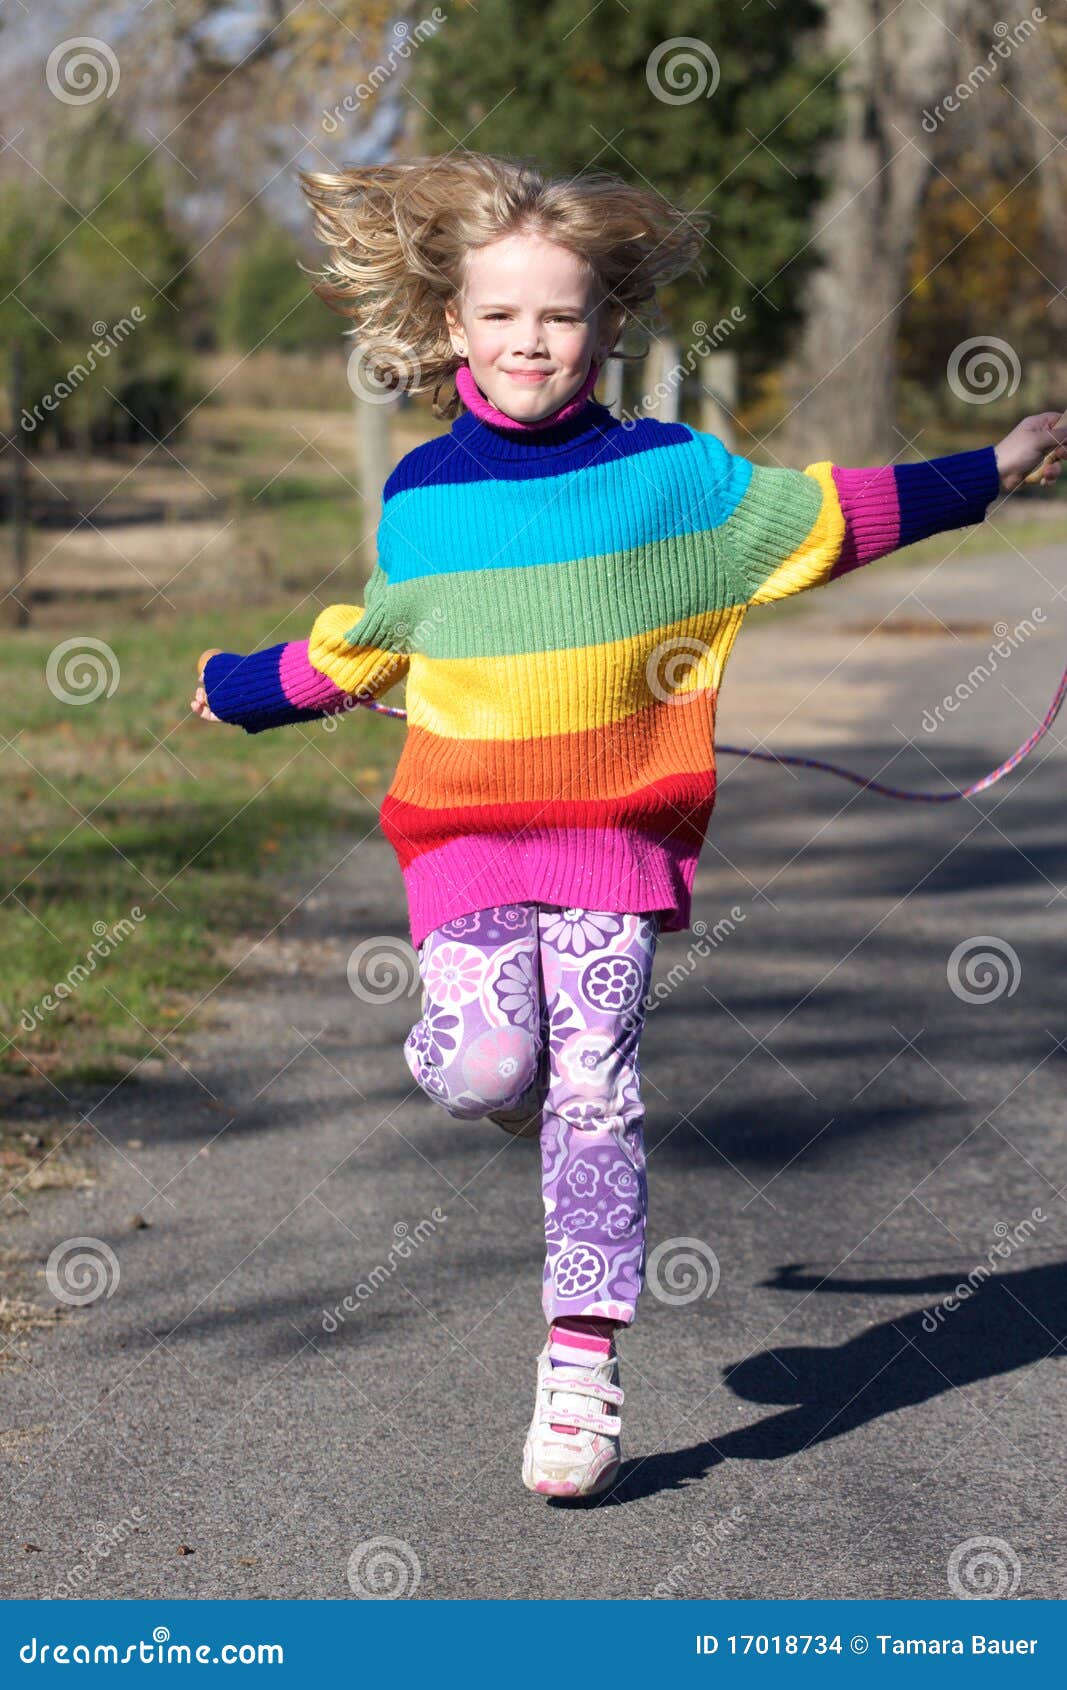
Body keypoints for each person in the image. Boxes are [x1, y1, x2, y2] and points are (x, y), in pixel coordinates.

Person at [190, 151, 1067, 1501]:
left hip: (614, 845)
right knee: (490, 1068)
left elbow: (835, 515)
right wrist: (242, 689)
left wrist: (992, 469)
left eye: (558, 314)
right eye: (499, 314)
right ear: (449, 326)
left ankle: (582, 1362)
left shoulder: (679, 483)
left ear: (610, 326)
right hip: (467, 845)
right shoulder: (424, 493)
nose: (528, 340)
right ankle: (492, 1066)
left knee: (597, 1090)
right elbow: (367, 647)